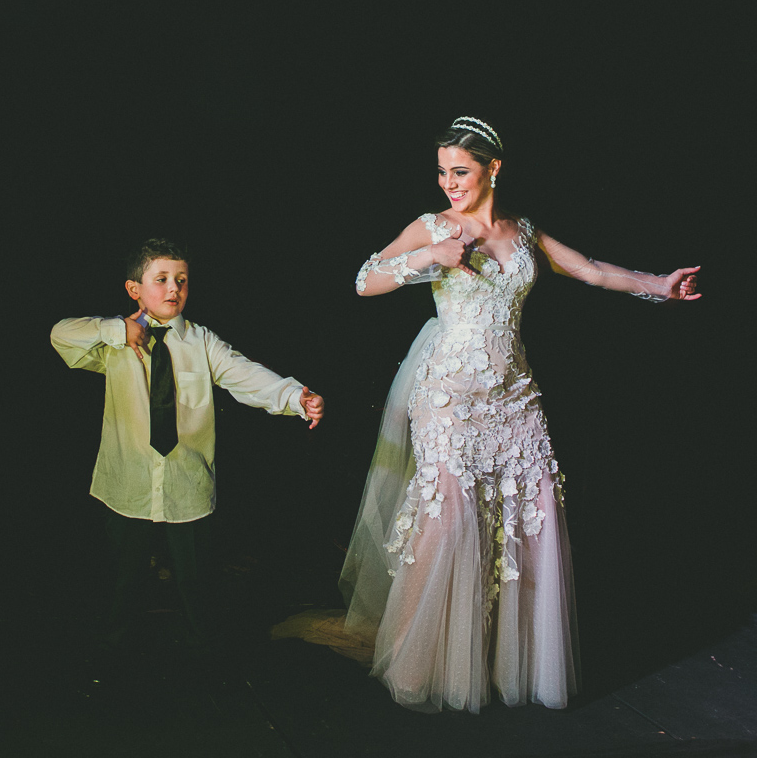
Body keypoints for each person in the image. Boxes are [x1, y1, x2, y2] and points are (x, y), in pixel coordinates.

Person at [273, 116, 700, 713]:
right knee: (448, 522)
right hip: (448, 397)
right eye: (443, 171)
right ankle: (421, 661)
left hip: (514, 400)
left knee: (530, 518)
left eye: (461, 171)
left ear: (493, 167)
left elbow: (592, 270)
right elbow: (364, 280)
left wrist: (659, 285)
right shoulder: (434, 227)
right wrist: (431, 256)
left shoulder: (522, 232)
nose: (450, 182)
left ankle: (505, 660)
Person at [51, 238, 325, 650]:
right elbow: (61, 335)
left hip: (187, 487)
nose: (173, 289)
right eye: (160, 280)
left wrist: (295, 397)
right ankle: (107, 659)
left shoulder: (201, 342)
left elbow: (245, 373)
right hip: (125, 484)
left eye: (181, 280)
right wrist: (115, 329)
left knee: (196, 586)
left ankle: (209, 659)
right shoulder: (113, 344)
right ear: (134, 289)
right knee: (120, 583)